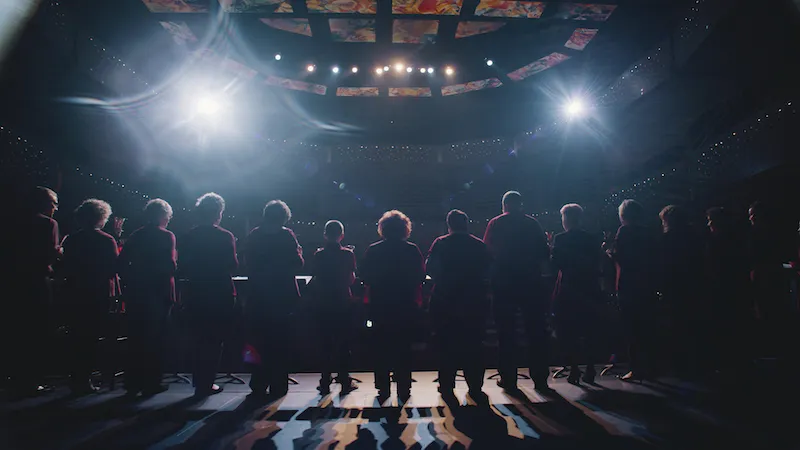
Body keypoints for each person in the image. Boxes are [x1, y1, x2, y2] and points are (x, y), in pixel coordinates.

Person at [483, 191, 551, 391]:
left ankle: (509, 378)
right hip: (530, 282)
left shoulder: (495, 223)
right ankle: (539, 378)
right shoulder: (532, 224)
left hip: (504, 283)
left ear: (503, 206)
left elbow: (486, 252)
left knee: (506, 332)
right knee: (536, 331)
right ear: (520, 205)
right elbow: (544, 252)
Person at [177, 193, 238, 397]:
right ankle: (208, 382)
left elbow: (182, 266)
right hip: (219, 292)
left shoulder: (188, 236)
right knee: (214, 340)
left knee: (197, 338)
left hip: (196, 291)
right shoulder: (224, 236)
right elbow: (232, 265)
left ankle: (199, 382)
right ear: (218, 214)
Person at [361, 210, 425, 401]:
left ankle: (383, 386)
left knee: (380, 346)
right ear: (405, 229)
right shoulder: (412, 249)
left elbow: (364, 276)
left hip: (380, 304)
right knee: (404, 347)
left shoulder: (373, 250)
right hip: (405, 304)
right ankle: (404, 386)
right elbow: (420, 276)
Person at [426, 210, 491, 397]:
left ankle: (447, 385)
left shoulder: (440, 243)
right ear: (466, 223)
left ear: (449, 225)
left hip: (445, 300)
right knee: (474, 344)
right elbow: (489, 270)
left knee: (446, 344)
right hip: (473, 300)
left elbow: (431, 268)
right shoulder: (478, 245)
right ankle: (475, 385)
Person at [3, 186, 60, 396]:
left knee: (16, 330)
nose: (55, 208)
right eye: (53, 204)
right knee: (37, 330)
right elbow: (49, 255)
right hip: (37, 281)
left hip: (12, 281)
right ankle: (31, 381)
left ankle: (14, 378)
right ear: (45, 204)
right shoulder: (48, 224)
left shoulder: (11, 222)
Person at [243, 200, 303, 400]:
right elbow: (297, 263)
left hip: (258, 296)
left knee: (259, 340)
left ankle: (258, 382)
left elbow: (247, 263)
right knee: (280, 342)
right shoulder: (286, 236)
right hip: (282, 296)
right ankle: (279, 383)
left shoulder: (254, 235)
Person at [118, 199, 177, 397]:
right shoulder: (166, 236)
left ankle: (132, 383)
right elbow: (170, 266)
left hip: (137, 292)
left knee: (136, 338)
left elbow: (122, 262)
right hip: (159, 292)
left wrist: (132, 281)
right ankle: (152, 382)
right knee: (156, 339)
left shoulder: (136, 235)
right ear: (163, 216)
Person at [60, 199, 119, 394]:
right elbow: (113, 269)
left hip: (74, 292)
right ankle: (86, 379)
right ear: (101, 217)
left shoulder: (71, 239)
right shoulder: (106, 240)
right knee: (91, 337)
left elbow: (65, 266)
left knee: (76, 336)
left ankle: (76, 378)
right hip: (97, 292)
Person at [607, 199, 660, 381]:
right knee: (648, 328)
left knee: (632, 329)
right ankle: (652, 366)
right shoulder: (648, 232)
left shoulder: (624, 231)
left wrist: (609, 254)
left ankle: (636, 368)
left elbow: (622, 257)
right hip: (647, 284)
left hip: (629, 285)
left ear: (623, 216)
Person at [551, 204, 602, 384]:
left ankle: (574, 369)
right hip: (589, 289)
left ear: (565, 219)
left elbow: (555, 264)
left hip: (569, 290)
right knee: (589, 331)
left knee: (568, 331)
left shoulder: (560, 239)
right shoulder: (591, 239)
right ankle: (589, 368)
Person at [309, 220, 358, 395]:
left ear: (325, 235)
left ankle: (324, 380)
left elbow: (314, 278)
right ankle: (344, 379)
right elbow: (351, 280)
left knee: (325, 343)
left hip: (323, 302)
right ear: (342, 235)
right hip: (343, 302)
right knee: (343, 342)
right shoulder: (347, 255)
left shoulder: (318, 255)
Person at [658, 205, 706, 376]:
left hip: (674, 287)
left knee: (676, 326)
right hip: (694, 286)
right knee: (693, 325)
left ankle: (680, 365)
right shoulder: (696, 237)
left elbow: (663, 266)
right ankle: (697, 363)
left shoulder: (667, 239)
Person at [706, 207, 753, 376]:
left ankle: (728, 363)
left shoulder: (718, 241)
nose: (708, 223)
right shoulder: (738, 239)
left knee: (726, 325)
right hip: (735, 287)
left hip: (723, 288)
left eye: (711, 219)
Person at [748, 202, 793, 362]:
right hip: (768, 276)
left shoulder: (759, 235)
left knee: (768, 309)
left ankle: (772, 347)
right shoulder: (768, 234)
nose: (751, 218)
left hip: (766, 276)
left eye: (753, 214)